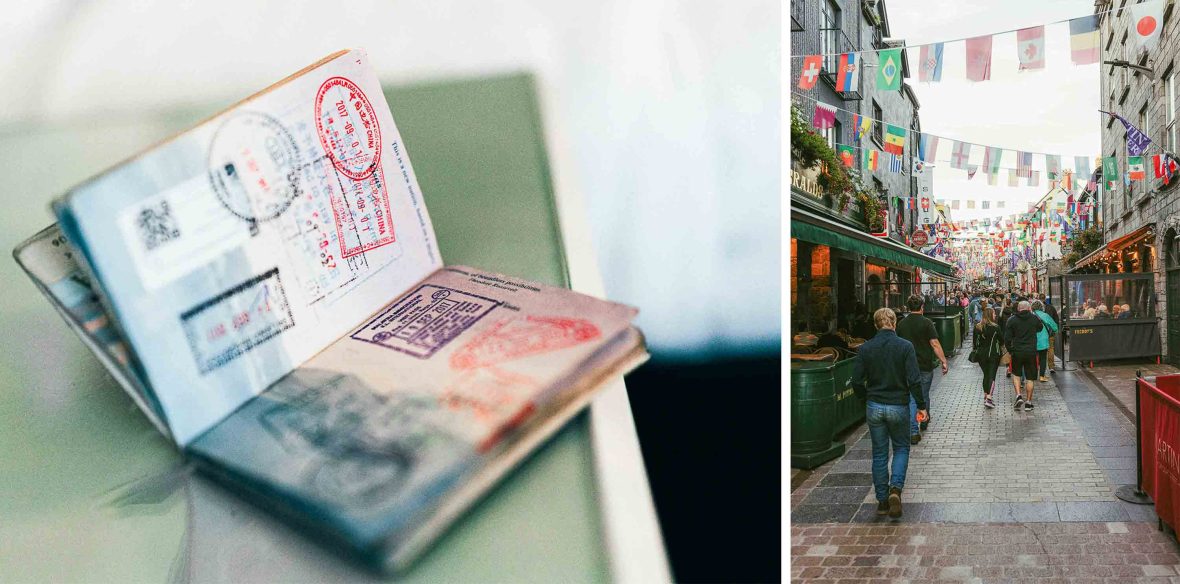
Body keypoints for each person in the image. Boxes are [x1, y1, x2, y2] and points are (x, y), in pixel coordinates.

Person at [850, 308, 926, 519]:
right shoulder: (905, 346)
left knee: (880, 453)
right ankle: (895, 490)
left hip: (874, 404)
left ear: (875, 324)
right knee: (901, 448)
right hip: (898, 405)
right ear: (894, 323)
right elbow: (914, 378)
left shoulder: (866, 348)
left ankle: (882, 500)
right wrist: (921, 404)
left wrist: (864, 397)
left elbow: (856, 380)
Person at [897, 294, 949, 444]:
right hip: (924, 365)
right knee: (922, 395)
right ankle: (916, 428)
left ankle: (923, 419)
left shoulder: (901, 324)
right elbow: (934, 344)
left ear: (908, 307)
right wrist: (943, 361)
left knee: (912, 396)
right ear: (922, 307)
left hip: (906, 366)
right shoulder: (926, 323)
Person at [1005, 300, 1045, 411]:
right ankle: (1028, 402)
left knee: (1017, 374)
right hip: (1031, 351)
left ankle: (1018, 395)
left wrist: (1010, 350)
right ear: (1029, 309)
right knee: (1030, 378)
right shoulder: (1034, 318)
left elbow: (1007, 338)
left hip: (1017, 351)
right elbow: (1040, 328)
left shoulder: (1011, 320)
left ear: (1018, 309)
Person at [973, 307, 1005, 409]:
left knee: (986, 375)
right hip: (993, 355)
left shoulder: (977, 327)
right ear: (991, 315)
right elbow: (1002, 340)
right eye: (994, 314)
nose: (995, 315)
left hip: (981, 355)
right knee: (992, 376)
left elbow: (975, 343)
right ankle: (989, 398)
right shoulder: (996, 327)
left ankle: (986, 395)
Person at [1032, 300, 1058, 382]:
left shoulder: (1030, 315)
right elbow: (1055, 327)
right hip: (1043, 340)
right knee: (1043, 358)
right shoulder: (1045, 315)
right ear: (1042, 307)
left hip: (1031, 340)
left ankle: (1033, 376)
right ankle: (1042, 376)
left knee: (1032, 358)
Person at [1043, 297, 1060, 374]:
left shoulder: (1037, 308)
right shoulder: (1051, 308)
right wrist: (1055, 329)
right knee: (1050, 348)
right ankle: (1051, 366)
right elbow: (1056, 319)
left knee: (1041, 350)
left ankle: (1041, 367)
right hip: (1050, 332)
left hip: (1041, 333)